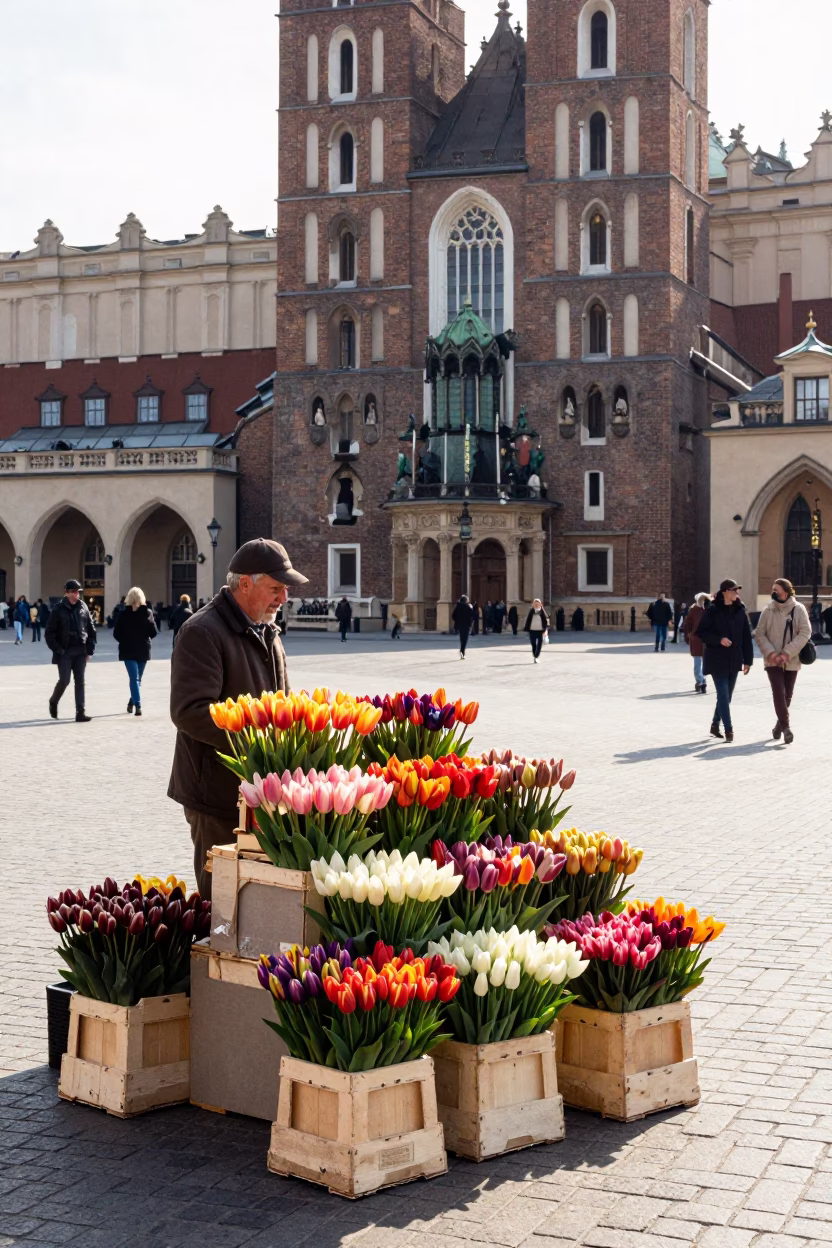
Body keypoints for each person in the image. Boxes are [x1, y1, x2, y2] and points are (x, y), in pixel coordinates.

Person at [168, 538, 308, 897]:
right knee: (221, 898)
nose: (283, 598)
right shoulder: (202, 631)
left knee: (254, 899)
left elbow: (279, 701)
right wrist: (257, 741)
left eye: (285, 589)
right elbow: (190, 711)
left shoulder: (267, 630)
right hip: (217, 792)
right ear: (245, 583)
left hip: (260, 789)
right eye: (275, 589)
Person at [753, 577, 811, 745]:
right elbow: (759, 633)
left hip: (791, 659)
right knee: (778, 692)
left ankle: (778, 727)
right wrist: (771, 653)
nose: (773, 592)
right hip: (772, 660)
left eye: (776, 589)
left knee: (787, 695)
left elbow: (805, 632)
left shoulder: (798, 609)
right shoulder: (768, 610)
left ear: (785, 592)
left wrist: (787, 653)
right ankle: (786, 728)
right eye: (773, 589)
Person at [696, 578, 753, 743]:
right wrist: (719, 639)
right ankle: (729, 729)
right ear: (725, 592)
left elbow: (746, 637)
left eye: (737, 590)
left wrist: (748, 661)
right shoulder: (713, 610)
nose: (737, 593)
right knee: (722, 693)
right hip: (716, 658)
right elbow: (701, 633)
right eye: (734, 590)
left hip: (734, 659)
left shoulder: (740, 610)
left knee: (726, 697)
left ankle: (715, 724)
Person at [45, 580, 97, 721]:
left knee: (80, 681)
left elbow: (91, 629)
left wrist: (89, 650)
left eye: (78, 592)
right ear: (66, 593)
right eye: (73, 592)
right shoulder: (58, 609)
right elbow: (49, 633)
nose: (76, 594)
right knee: (65, 680)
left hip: (80, 651)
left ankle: (80, 712)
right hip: (65, 652)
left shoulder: (83, 607)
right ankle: (53, 701)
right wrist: (58, 649)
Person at [113, 586, 158, 716]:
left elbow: (116, 633)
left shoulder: (123, 614)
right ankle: (138, 705)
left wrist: (124, 641)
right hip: (142, 649)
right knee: (136, 678)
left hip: (129, 649)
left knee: (136, 679)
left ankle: (131, 702)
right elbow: (153, 632)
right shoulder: (147, 613)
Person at [683, 593, 710, 693]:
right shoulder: (696, 610)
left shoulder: (697, 610)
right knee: (700, 662)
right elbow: (688, 624)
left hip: (702, 640)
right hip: (701, 640)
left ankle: (701, 681)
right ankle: (702, 681)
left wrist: (688, 635)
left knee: (699, 662)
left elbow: (687, 624)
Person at [524, 598, 549, 663]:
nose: (536, 605)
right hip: (532, 630)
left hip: (540, 630)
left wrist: (546, 630)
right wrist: (527, 628)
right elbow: (528, 620)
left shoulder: (542, 611)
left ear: (540, 604)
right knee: (533, 643)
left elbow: (546, 621)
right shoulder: (531, 611)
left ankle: (536, 656)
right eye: (535, 604)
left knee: (539, 644)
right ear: (533, 604)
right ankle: (534, 654)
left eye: (538, 604)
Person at [451, 594, 474, 659]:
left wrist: (457, 621)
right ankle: (462, 651)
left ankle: (462, 651)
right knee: (465, 639)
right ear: (466, 601)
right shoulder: (468, 607)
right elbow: (472, 615)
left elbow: (453, 616)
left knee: (462, 638)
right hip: (466, 625)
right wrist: (471, 607)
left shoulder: (457, 607)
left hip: (460, 625)